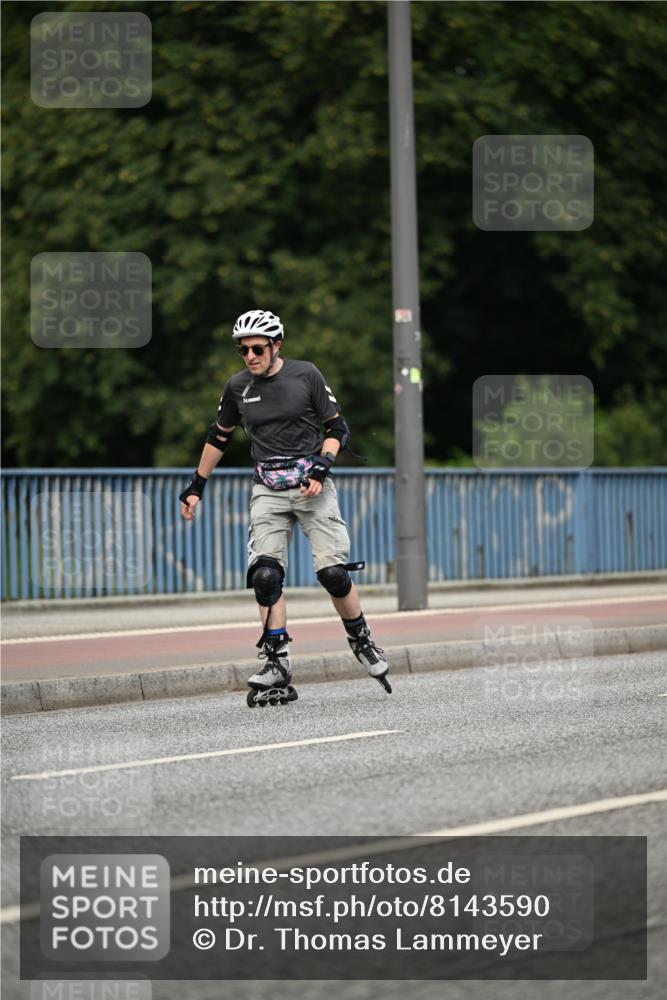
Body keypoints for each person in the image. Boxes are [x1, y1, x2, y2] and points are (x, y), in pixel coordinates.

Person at [178, 309, 390, 698]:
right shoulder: (237, 386)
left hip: (313, 487)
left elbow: (337, 427)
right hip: (268, 489)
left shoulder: (306, 375)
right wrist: (196, 484)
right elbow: (219, 436)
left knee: (333, 574)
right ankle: (277, 660)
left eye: (257, 349)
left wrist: (323, 466)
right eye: (243, 350)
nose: (250, 356)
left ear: (276, 345)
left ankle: (361, 639)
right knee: (265, 575)